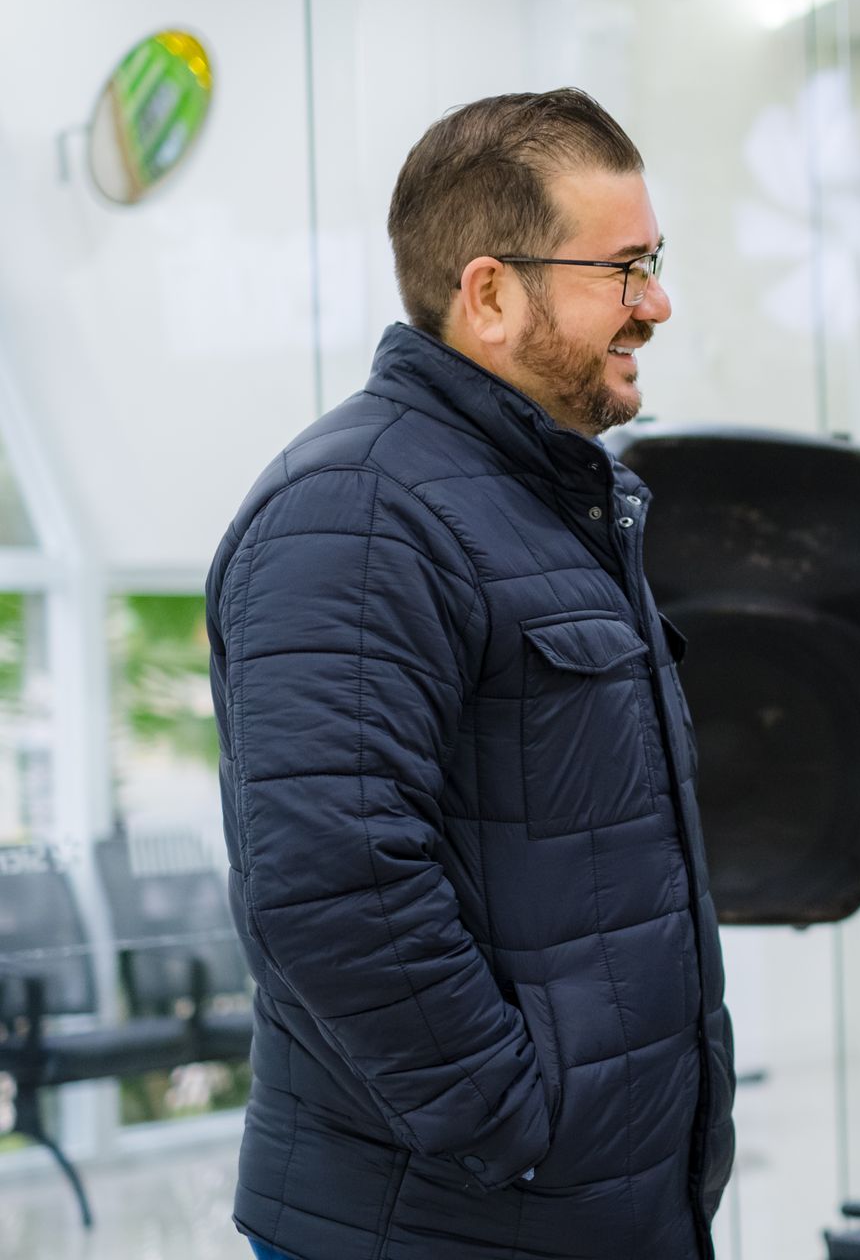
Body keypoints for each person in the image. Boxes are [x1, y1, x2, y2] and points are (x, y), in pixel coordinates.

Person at [206, 89, 734, 1259]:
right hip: (449, 1222)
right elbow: (328, 883)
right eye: (626, 267)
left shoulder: (553, 506)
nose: (657, 303)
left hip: (589, 1211)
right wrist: (513, 1122)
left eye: (657, 261)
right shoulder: (355, 511)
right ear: (491, 293)